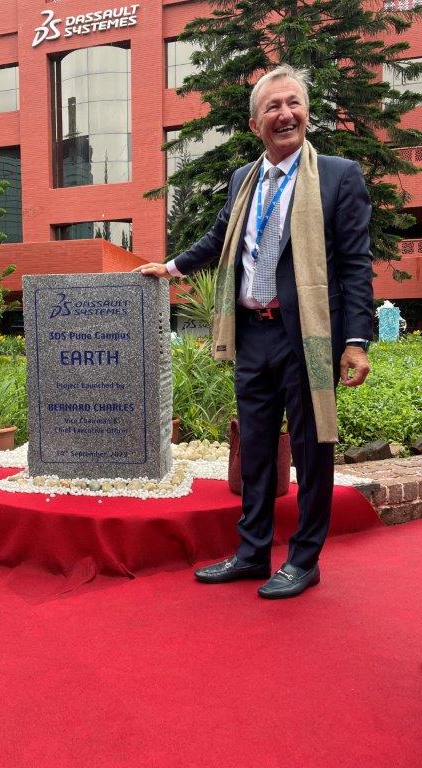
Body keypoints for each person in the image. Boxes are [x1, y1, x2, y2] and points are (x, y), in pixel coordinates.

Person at [135, 65, 373, 598]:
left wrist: (355, 340)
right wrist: (169, 267)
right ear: (254, 123)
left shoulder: (338, 175)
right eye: (272, 106)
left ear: (306, 113)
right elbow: (221, 240)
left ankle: (305, 559)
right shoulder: (244, 180)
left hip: (306, 337)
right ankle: (252, 552)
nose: (285, 114)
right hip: (253, 334)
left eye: (294, 103)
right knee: (257, 450)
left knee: (312, 451)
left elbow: (356, 263)